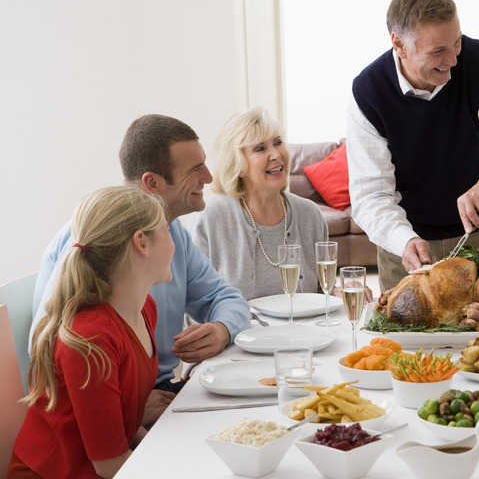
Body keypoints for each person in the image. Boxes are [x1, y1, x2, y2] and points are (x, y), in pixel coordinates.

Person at [30, 115, 250, 421]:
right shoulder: (92, 239)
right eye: (195, 169)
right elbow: (51, 352)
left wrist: (221, 330)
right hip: (110, 411)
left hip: (158, 392)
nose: (210, 177)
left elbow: (225, 297)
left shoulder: (174, 235)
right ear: (152, 183)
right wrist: (128, 407)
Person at [347, 0, 479, 292]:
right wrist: (405, 240)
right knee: (402, 340)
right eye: (437, 51)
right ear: (399, 44)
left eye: (456, 43)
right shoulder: (368, 92)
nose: (452, 60)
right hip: (406, 247)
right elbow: (370, 196)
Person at [9, 186, 174, 478]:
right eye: (167, 230)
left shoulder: (145, 308)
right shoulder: (90, 339)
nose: (174, 243)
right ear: (142, 243)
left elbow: (124, 422)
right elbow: (109, 466)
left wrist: (166, 453)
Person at [189, 106, 328, 299]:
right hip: (239, 330)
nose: (276, 154)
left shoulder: (310, 214)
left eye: (278, 143)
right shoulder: (211, 216)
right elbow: (195, 301)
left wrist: (337, 292)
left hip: (304, 329)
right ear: (238, 166)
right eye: (260, 148)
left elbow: (322, 294)